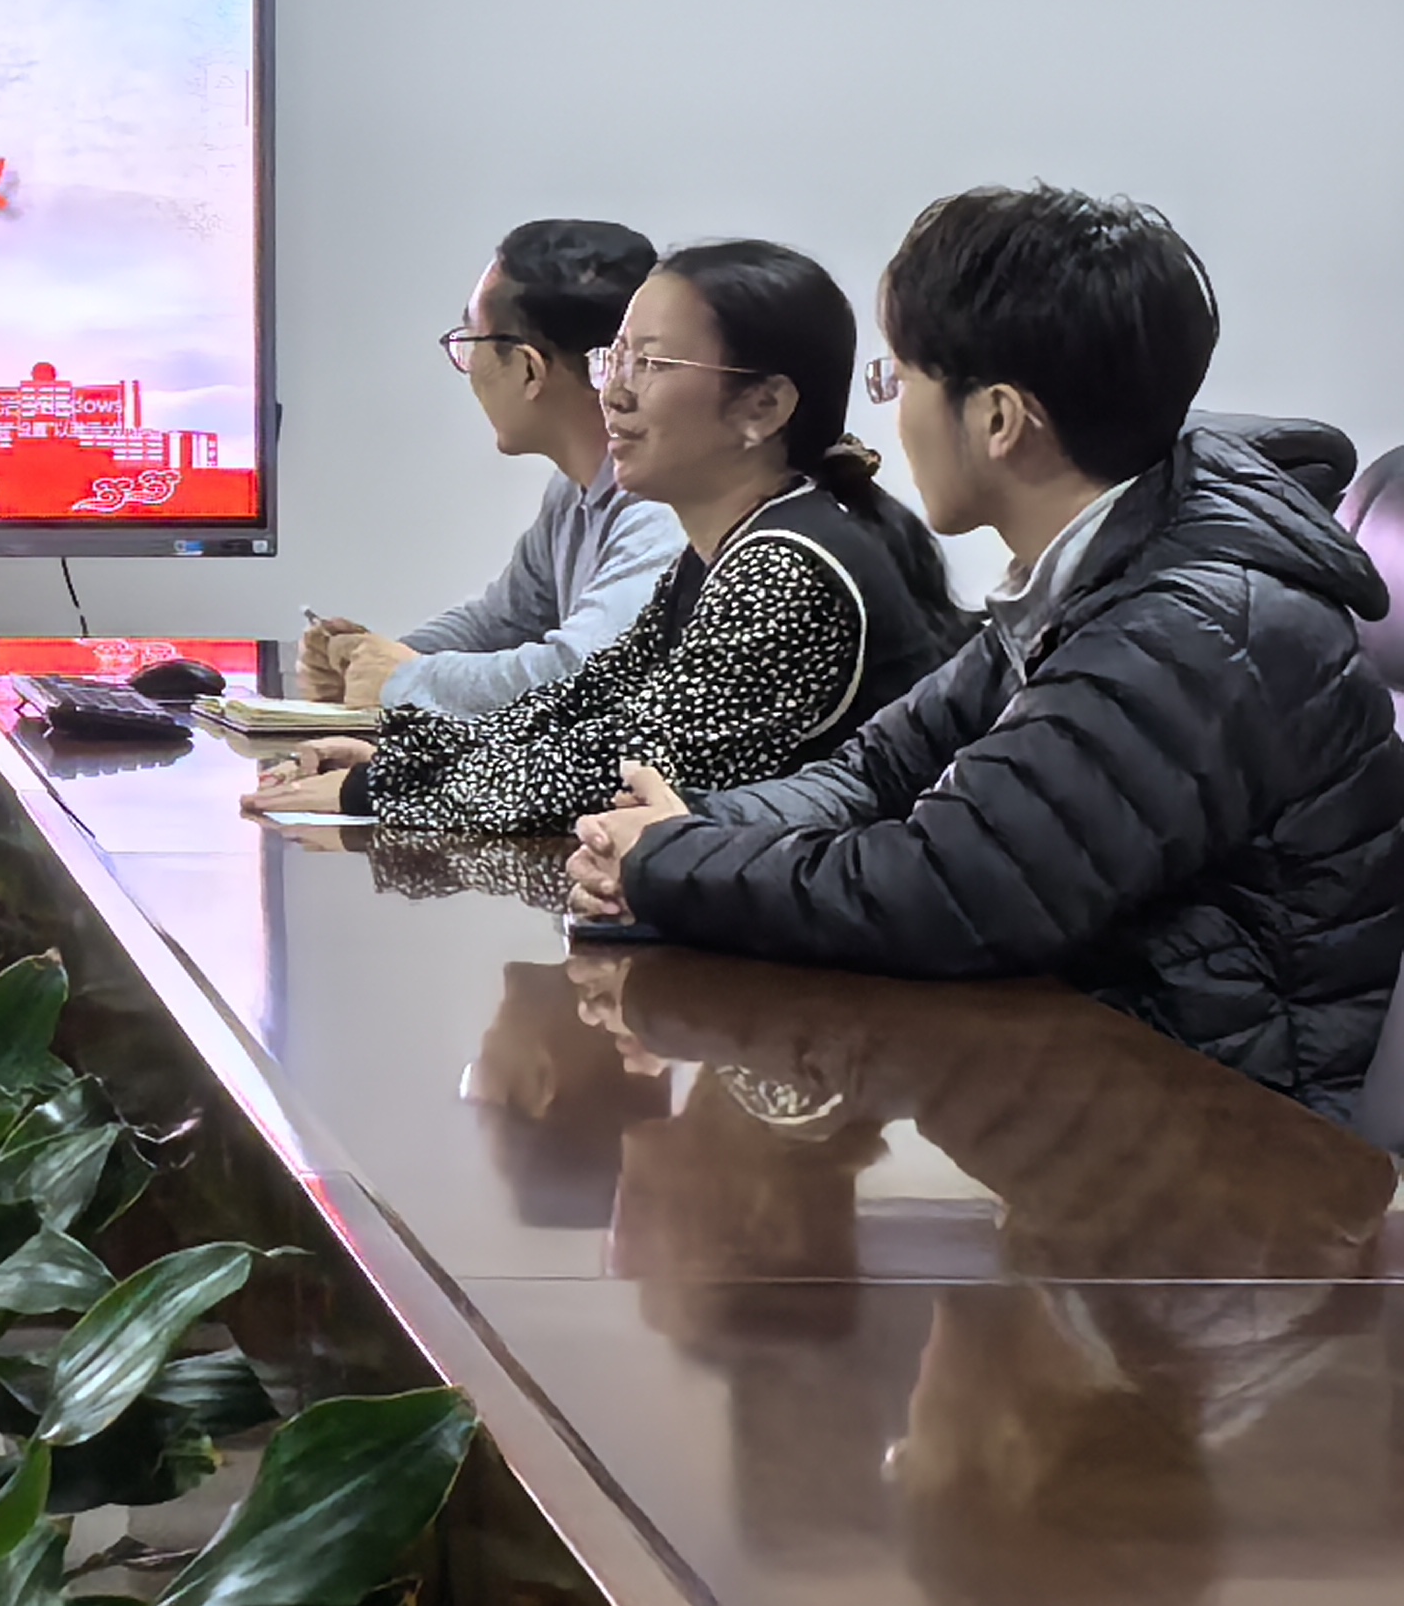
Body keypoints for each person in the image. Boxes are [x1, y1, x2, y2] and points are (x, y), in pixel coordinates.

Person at [574, 186, 1404, 1119]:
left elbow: (942, 890)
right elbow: (876, 772)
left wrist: (672, 862)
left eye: (901, 380)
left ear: (1000, 420)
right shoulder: (1094, 571)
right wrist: (677, 832)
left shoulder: (1195, 631)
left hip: (1237, 1134)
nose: (892, 414)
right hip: (1086, 1068)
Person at [258, 240, 962, 835]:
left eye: (651, 365)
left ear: (763, 406)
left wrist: (376, 790)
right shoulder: (728, 547)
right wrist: (405, 757)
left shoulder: (786, 568)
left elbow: (623, 770)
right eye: (615, 359)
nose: (614, 392)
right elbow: (585, 704)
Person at [302, 218, 682, 717]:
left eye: (471, 342)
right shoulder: (574, 489)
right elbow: (503, 624)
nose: (468, 369)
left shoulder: (665, 505)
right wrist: (370, 662)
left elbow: (583, 674)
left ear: (528, 368)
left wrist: (403, 680)